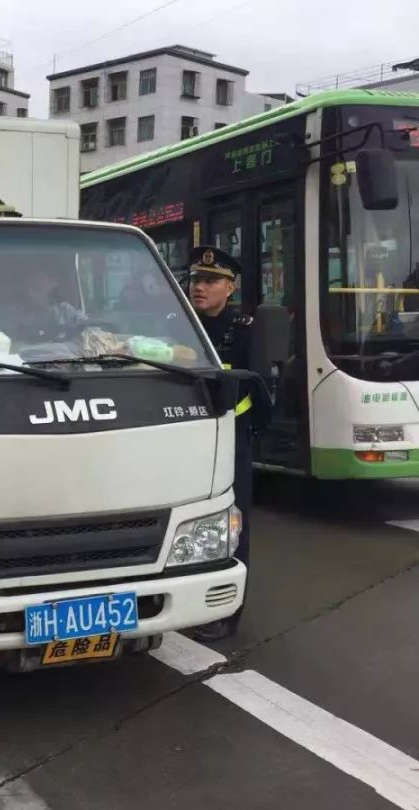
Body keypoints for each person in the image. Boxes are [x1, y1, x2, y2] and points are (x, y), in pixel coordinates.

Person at [186, 245, 259, 641]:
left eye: (211, 280)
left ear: (229, 288)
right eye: (196, 278)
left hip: (229, 436)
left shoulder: (245, 329)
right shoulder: (178, 323)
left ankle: (227, 611)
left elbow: (258, 385)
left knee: (232, 524)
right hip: (181, 433)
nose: (200, 287)